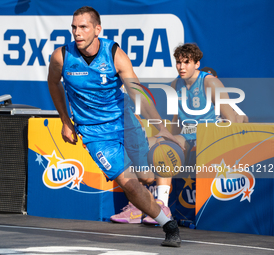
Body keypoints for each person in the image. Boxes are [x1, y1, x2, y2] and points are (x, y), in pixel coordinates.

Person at [47, 6, 181, 247]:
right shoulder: (61, 56)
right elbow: (53, 83)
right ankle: (168, 226)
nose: (77, 33)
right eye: (74, 27)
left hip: (124, 121)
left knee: (146, 176)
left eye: (83, 27)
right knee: (129, 183)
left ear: (97, 29)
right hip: (95, 134)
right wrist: (66, 121)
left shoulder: (114, 54)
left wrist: (160, 126)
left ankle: (153, 151)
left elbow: (137, 92)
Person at [112, 44, 249, 225]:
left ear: (197, 64)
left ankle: (162, 206)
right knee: (140, 143)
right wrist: (167, 135)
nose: (181, 67)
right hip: (184, 137)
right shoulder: (175, 84)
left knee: (166, 148)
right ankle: (138, 205)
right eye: (178, 62)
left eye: (187, 62)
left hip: (205, 139)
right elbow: (177, 120)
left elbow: (230, 118)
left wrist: (213, 143)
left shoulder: (209, 82)